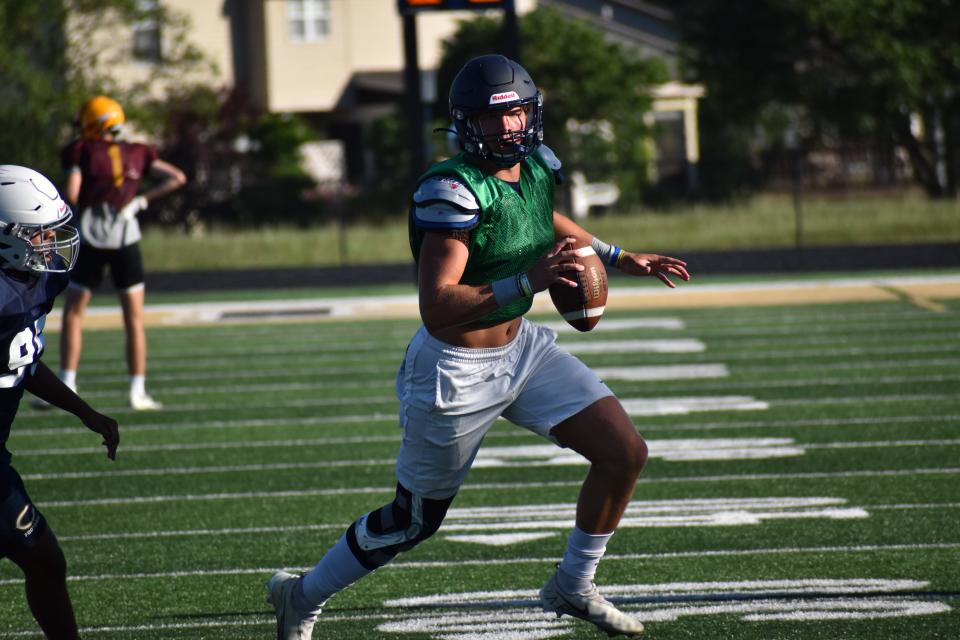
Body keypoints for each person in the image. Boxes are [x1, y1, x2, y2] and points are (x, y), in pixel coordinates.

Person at [266, 54, 690, 639]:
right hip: (455, 369)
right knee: (412, 522)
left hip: (524, 351)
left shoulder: (537, 166)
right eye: (494, 119)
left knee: (625, 453)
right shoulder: (451, 189)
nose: (509, 128)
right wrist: (529, 281)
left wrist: (618, 255)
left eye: (516, 113)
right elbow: (437, 306)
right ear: (466, 125)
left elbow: (543, 215)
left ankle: (572, 583)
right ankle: (302, 597)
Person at [0, 165, 120, 639]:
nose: (52, 243)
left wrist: (84, 412)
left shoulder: (32, 282)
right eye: (39, 234)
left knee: (44, 560)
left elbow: (21, 360)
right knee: (42, 558)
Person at [56, 96, 186, 411]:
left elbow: (73, 192)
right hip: (126, 237)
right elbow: (178, 178)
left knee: (74, 314)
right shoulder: (139, 151)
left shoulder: (81, 150)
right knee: (134, 319)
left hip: (91, 237)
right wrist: (141, 200)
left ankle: (68, 384)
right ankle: (137, 391)